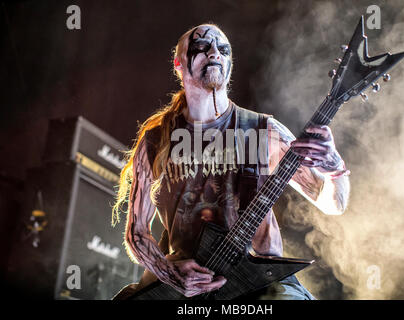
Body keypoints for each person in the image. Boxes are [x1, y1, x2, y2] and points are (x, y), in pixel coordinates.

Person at [112, 23, 350, 300]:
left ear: (230, 63)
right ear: (178, 64)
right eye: (202, 47)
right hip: (187, 282)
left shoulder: (264, 131)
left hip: (259, 280)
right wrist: (167, 272)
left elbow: (334, 204)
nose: (214, 53)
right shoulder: (157, 138)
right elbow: (136, 232)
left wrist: (334, 168)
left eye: (223, 49)